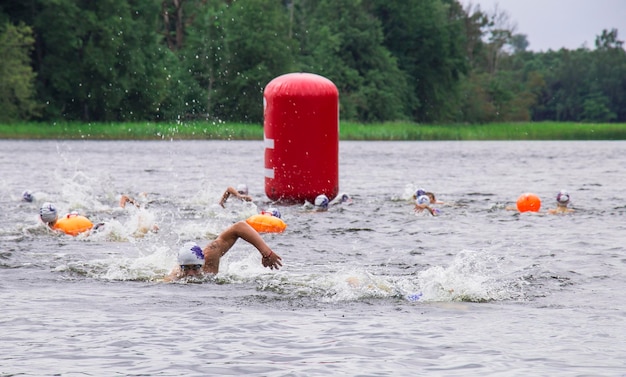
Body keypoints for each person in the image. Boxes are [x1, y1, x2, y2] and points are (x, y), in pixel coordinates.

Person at [164, 221, 282, 281]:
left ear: (202, 263)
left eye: (195, 268)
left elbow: (239, 226)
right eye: (186, 269)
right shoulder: (175, 277)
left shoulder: (211, 255)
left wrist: (266, 252)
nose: (190, 274)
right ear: (180, 268)